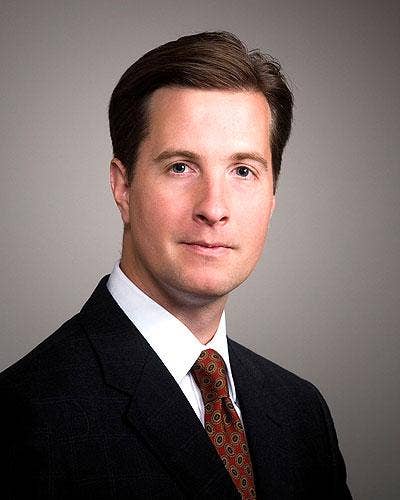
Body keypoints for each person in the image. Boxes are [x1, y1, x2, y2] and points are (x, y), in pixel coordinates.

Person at [0, 32, 352, 499]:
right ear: (123, 187)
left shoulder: (301, 412)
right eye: (181, 166)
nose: (214, 208)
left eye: (243, 170)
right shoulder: (20, 419)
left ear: (272, 197)